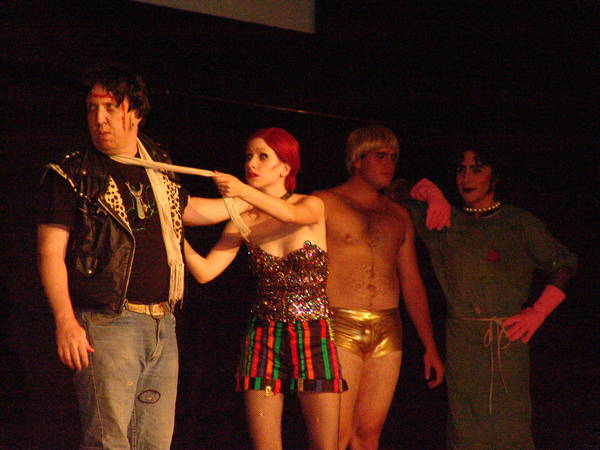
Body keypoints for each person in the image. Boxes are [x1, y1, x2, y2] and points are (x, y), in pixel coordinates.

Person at [36, 63, 234, 449]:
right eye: (92, 108)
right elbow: (50, 252)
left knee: (154, 442)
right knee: (109, 441)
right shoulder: (71, 172)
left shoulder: (158, 163)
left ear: (136, 112)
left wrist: (247, 200)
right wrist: (65, 321)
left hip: (162, 322)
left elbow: (187, 211)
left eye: (111, 108)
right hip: (107, 322)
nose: (100, 118)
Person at [184, 127, 347, 450]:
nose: (251, 164)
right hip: (263, 335)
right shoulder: (242, 219)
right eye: (248, 156)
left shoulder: (312, 204)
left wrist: (243, 191)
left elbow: (290, 214)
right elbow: (205, 272)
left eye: (262, 156)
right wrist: (174, 236)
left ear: (285, 167)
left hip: (313, 334)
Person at [403, 146, 577, 449]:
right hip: (462, 343)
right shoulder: (444, 221)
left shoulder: (517, 222)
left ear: (494, 176)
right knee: (466, 432)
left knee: (510, 430)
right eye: (461, 169)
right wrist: (431, 192)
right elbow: (393, 189)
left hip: (507, 339)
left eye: (477, 169)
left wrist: (538, 311)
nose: (467, 178)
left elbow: (563, 263)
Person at [312, 125, 444, 449]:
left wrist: (429, 345)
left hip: (388, 327)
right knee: (335, 435)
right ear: (358, 160)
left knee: (368, 435)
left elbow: (412, 282)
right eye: (380, 156)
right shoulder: (324, 202)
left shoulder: (398, 215)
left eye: (393, 158)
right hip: (338, 323)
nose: (389, 164)